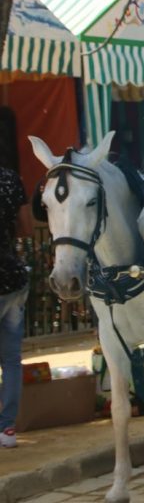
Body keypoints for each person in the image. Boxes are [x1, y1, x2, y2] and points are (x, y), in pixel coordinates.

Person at [0, 108, 30, 448]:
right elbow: (24, 228)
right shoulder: (10, 180)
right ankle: (7, 428)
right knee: (10, 359)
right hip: (11, 277)